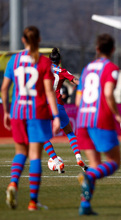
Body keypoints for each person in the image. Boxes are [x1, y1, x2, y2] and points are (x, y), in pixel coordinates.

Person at [1, 26, 60, 211]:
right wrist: (56, 116)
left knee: (20, 152)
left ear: (23, 40)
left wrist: (6, 112)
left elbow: (4, 89)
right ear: (39, 40)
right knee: (35, 156)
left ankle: (12, 184)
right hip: (37, 112)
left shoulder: (14, 60)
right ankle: (33, 202)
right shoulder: (43, 63)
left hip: (18, 112)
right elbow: (50, 91)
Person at [75, 33, 121, 215]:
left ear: (97, 49)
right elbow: (109, 94)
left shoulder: (87, 68)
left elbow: (78, 100)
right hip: (100, 119)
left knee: (95, 163)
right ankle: (88, 176)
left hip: (82, 121)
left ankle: (85, 206)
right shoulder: (111, 67)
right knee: (115, 161)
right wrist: (117, 115)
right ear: (113, 50)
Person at [43, 47, 87, 173]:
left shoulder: (43, 70)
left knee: (42, 135)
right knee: (69, 132)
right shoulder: (62, 70)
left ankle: (56, 161)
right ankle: (78, 157)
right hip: (57, 105)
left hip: (44, 106)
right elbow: (74, 81)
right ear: (60, 60)